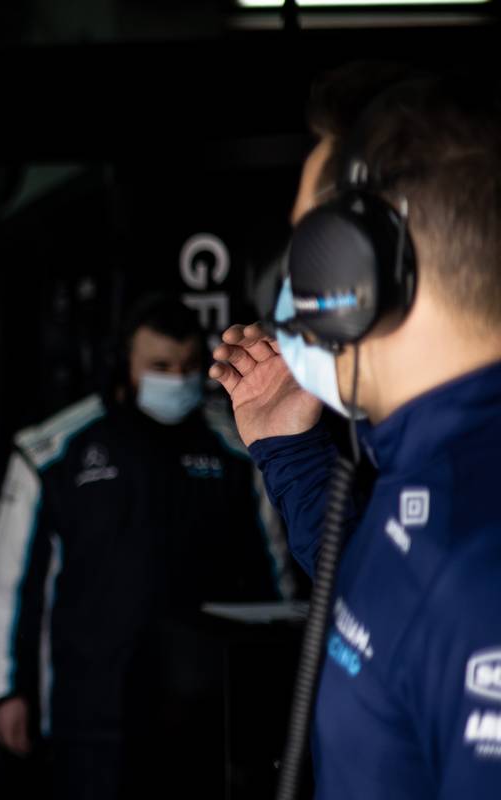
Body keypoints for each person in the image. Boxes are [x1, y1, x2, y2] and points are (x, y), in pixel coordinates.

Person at [210, 71, 501, 797]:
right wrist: (286, 449)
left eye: (310, 236)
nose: (293, 275)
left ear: (364, 265)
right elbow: (379, 582)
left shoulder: (477, 562)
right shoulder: (432, 470)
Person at [0, 296, 284, 798]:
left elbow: (275, 571)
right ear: (124, 364)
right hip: (92, 708)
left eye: (187, 367)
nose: (176, 378)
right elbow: (9, 581)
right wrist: (5, 689)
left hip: (208, 709)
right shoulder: (54, 450)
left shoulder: (237, 448)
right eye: (159, 367)